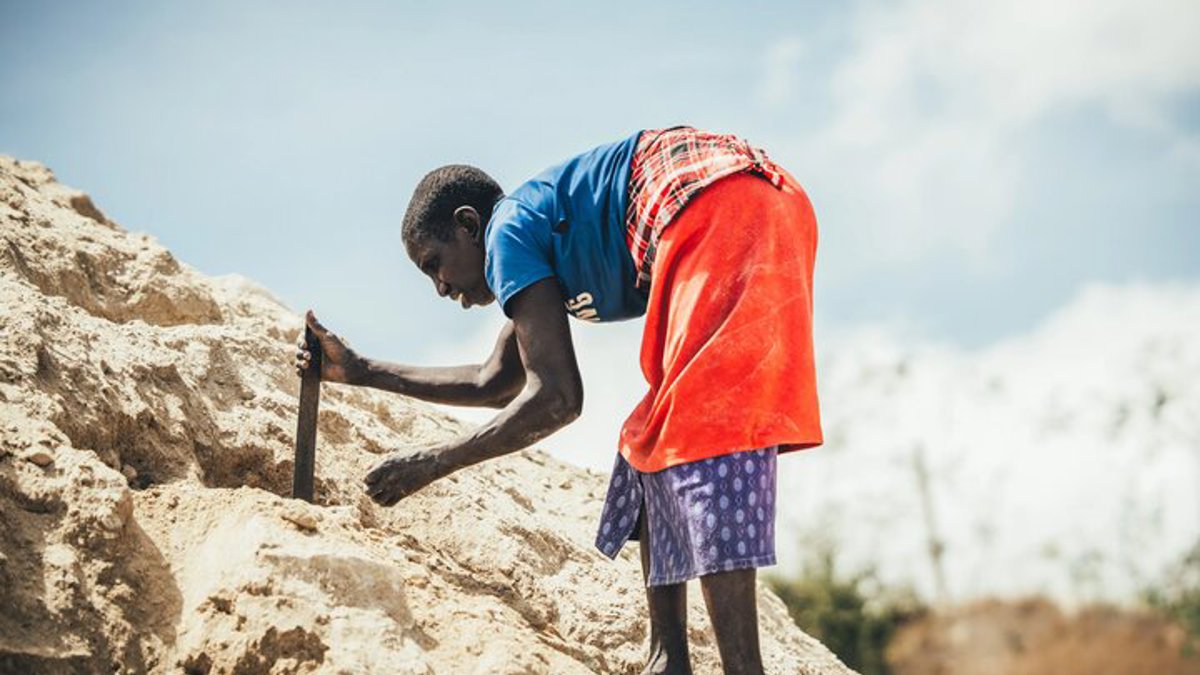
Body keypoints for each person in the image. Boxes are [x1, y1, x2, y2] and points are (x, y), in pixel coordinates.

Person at [294, 126, 822, 675]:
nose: (441, 289)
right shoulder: (538, 237)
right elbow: (494, 381)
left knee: (707, 426)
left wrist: (431, 462)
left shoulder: (509, 231)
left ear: (469, 225)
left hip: (714, 200)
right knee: (667, 425)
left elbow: (558, 398)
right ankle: (668, 658)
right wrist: (359, 372)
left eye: (434, 263)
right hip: (772, 203)